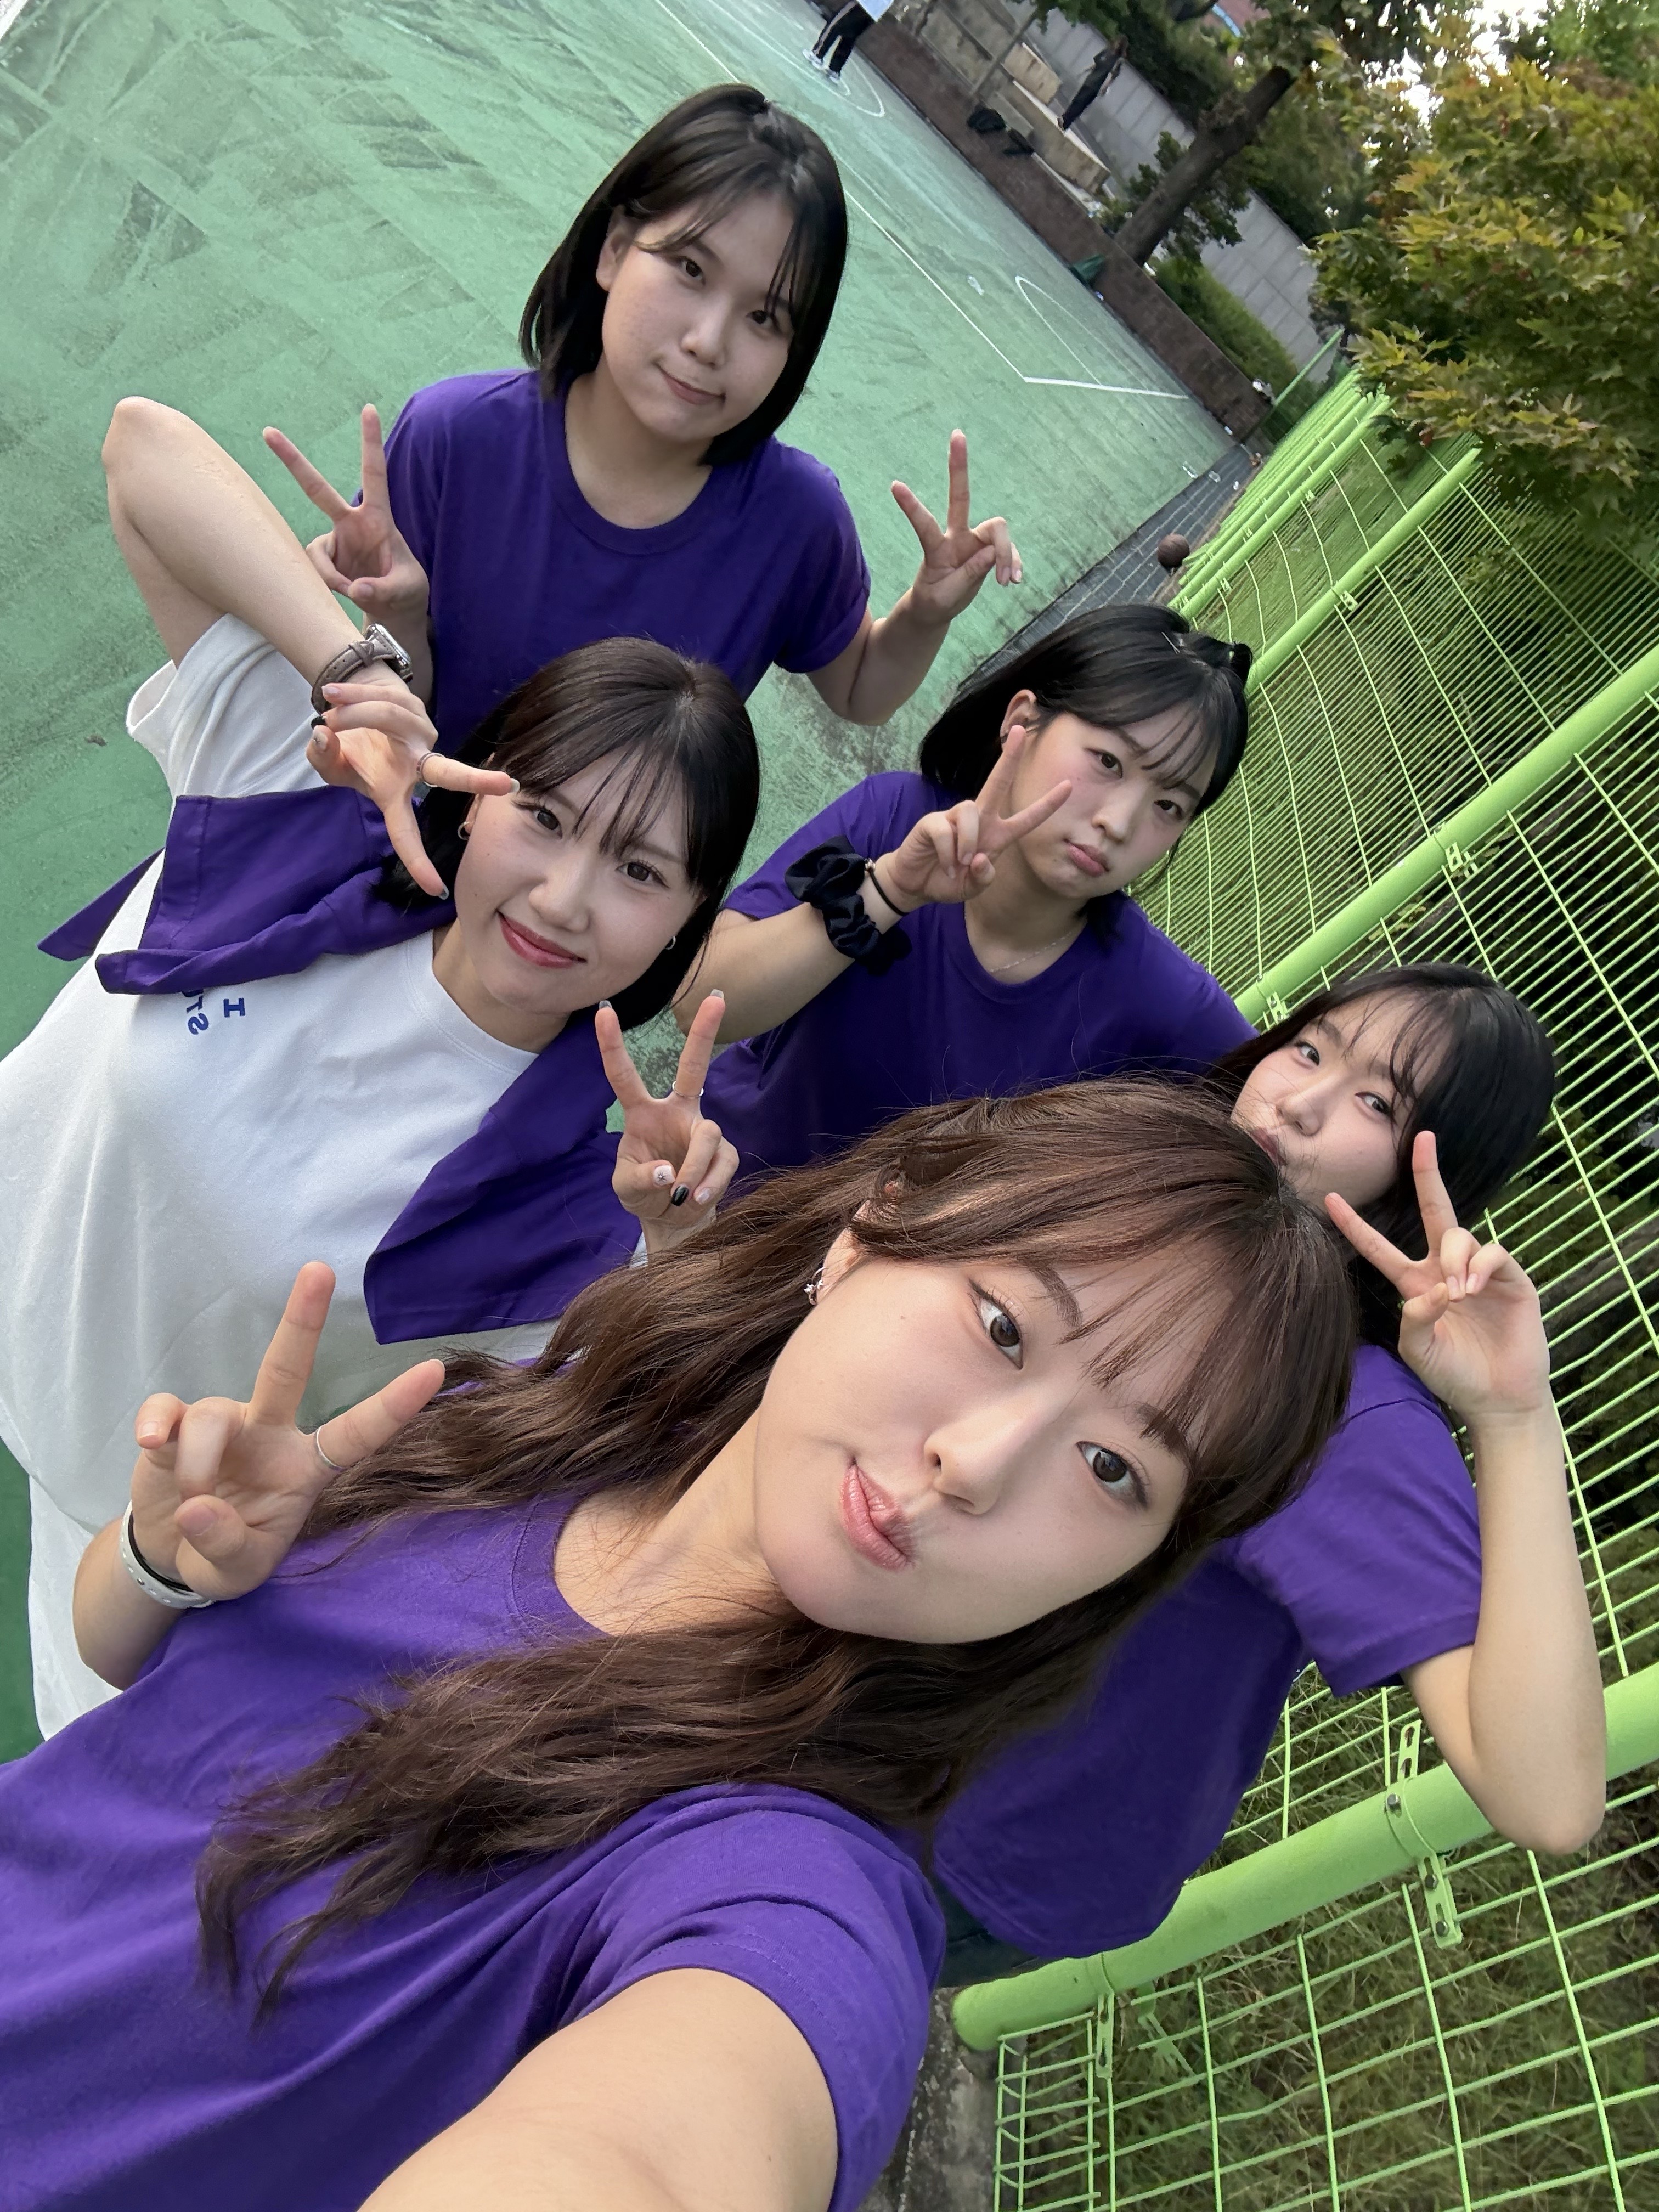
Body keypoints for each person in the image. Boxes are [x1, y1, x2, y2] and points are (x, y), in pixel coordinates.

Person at [0, 1079, 1357, 2211]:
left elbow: (655, 2148)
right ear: (867, 1238)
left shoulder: (788, 1886)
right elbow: (129, 1685)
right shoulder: (541, 1423)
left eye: (1116, 1470)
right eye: (1003, 1326)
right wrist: (165, 1562)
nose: (979, 1463)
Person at [0, 397, 757, 1738]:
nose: (567, 897)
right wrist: (361, 666)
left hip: (108, 1548)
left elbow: (624, 1445)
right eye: (544, 816)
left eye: (640, 872)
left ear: (686, 925)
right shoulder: (301, 813)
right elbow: (143, 446)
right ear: (475, 788)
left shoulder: (557, 1210)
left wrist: (674, 1248)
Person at [928, 964, 1608, 1984]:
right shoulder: (1147, 1203)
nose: (1298, 1101)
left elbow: (1547, 1798)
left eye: (1376, 1105)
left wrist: (1514, 1418)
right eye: (1308, 1048)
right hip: (890, 1710)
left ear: (1430, 1173)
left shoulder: (1340, 1409)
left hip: (981, 1847)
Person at [263, 83, 1022, 753]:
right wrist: (401, 615)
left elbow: (859, 689)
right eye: (691, 269)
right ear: (615, 248)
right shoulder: (452, 439)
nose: (708, 342)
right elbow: (401, 721)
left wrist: (925, 613)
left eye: (765, 317)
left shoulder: (797, 521)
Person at [683, 604, 1254, 1185]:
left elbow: (1274, 1124)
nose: (1121, 822)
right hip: (707, 1198)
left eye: (1169, 805)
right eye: (1109, 761)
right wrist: (889, 891)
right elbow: (701, 1000)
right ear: (1022, 721)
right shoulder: (893, 817)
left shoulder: (1160, 999)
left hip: (872, 1249)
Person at [806, 1, 893, 82]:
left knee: (835, 25)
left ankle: (817, 55)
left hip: (863, 3)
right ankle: (835, 70)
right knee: (850, 37)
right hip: (876, 12)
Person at [1059, 36, 1127, 136]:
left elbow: (1112, 76)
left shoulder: (1118, 61)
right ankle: (1064, 119)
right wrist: (1084, 70)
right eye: (1117, 42)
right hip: (1090, 80)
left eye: (1119, 44)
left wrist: (1106, 87)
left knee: (1081, 104)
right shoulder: (1106, 52)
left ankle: (1065, 121)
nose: (1117, 45)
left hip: (1097, 86)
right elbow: (1096, 64)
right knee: (1077, 100)